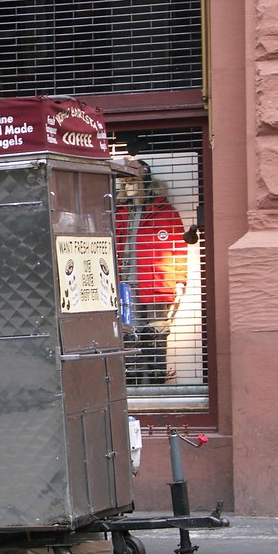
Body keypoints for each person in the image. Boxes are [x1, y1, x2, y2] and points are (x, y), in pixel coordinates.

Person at [115, 160, 187, 385]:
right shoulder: (120, 214)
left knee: (156, 332)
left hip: (156, 283)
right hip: (127, 283)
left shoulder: (166, 213)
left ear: (144, 183)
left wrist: (181, 279)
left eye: (132, 183)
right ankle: (134, 379)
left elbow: (178, 247)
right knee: (131, 331)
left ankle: (156, 377)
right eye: (124, 184)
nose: (128, 188)